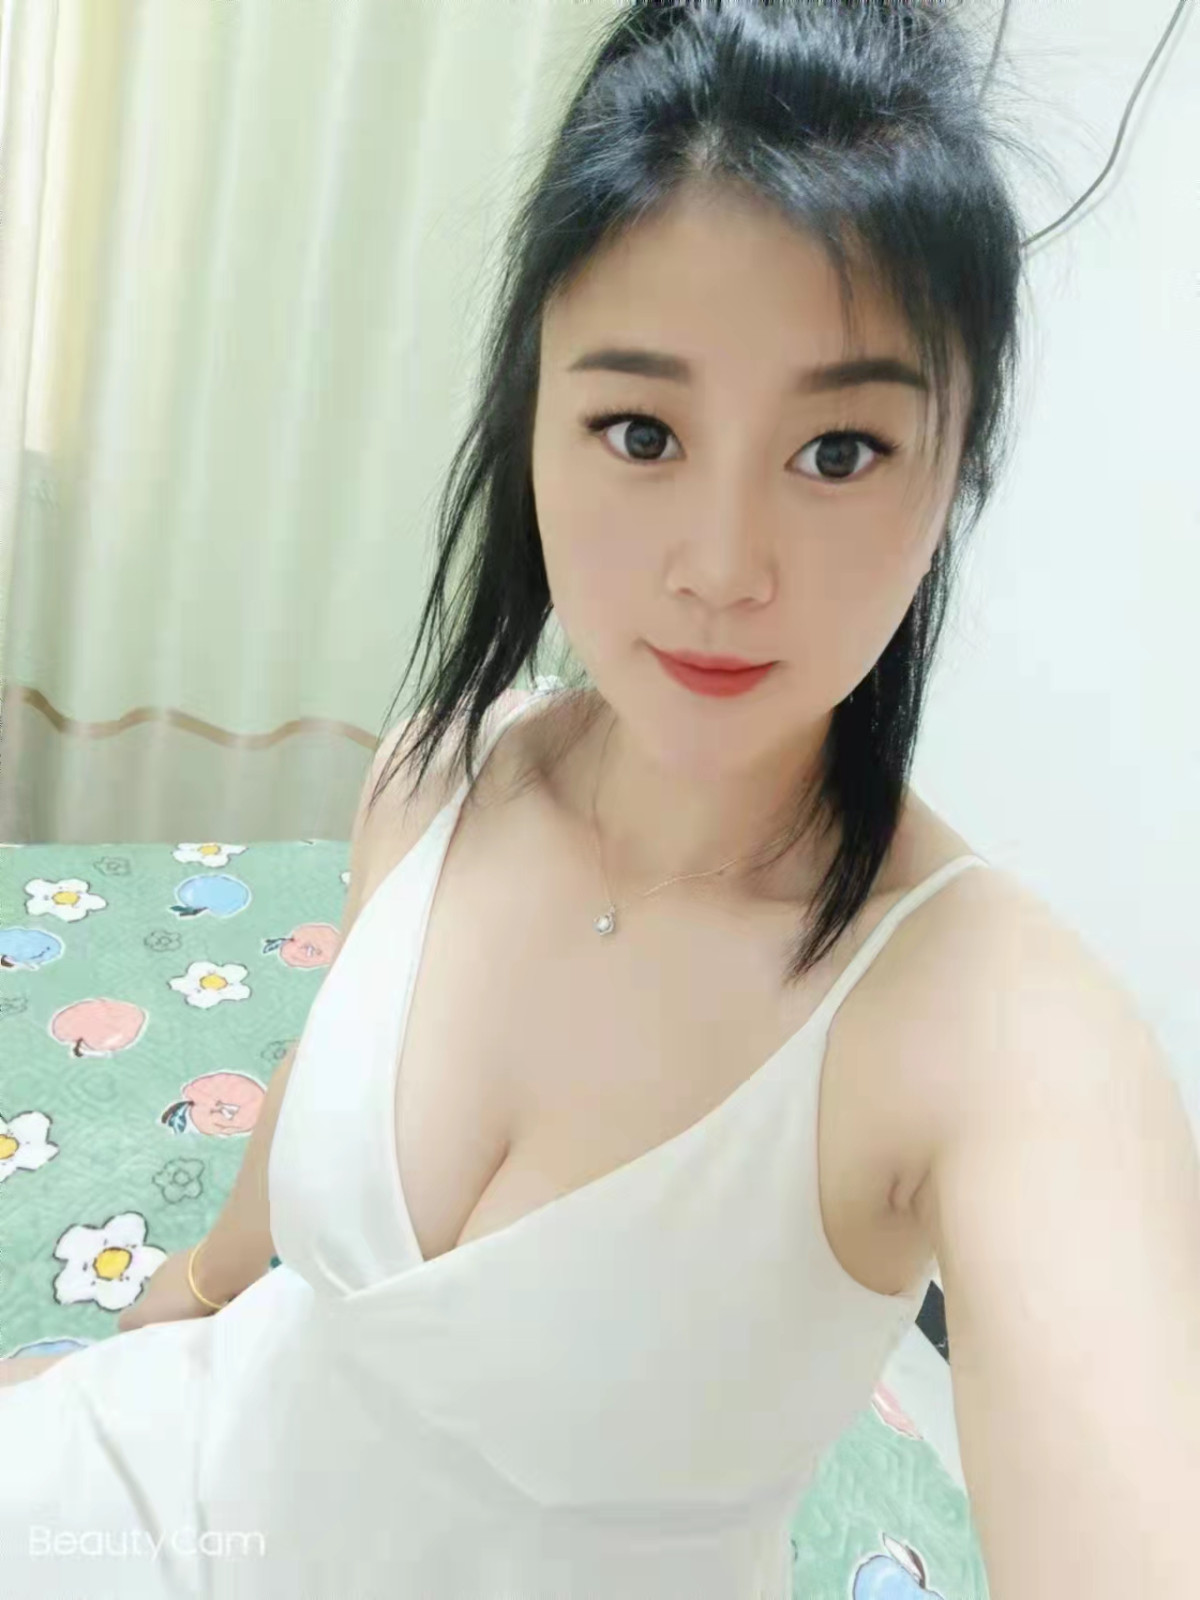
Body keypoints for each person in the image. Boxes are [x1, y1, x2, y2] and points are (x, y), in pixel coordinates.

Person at [3, 4, 1198, 1597]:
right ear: (532, 416)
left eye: (841, 450)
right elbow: (320, 1075)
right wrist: (186, 1300)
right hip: (190, 1476)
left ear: (955, 468)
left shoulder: (992, 1032)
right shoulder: (437, 771)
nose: (722, 565)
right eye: (642, 430)